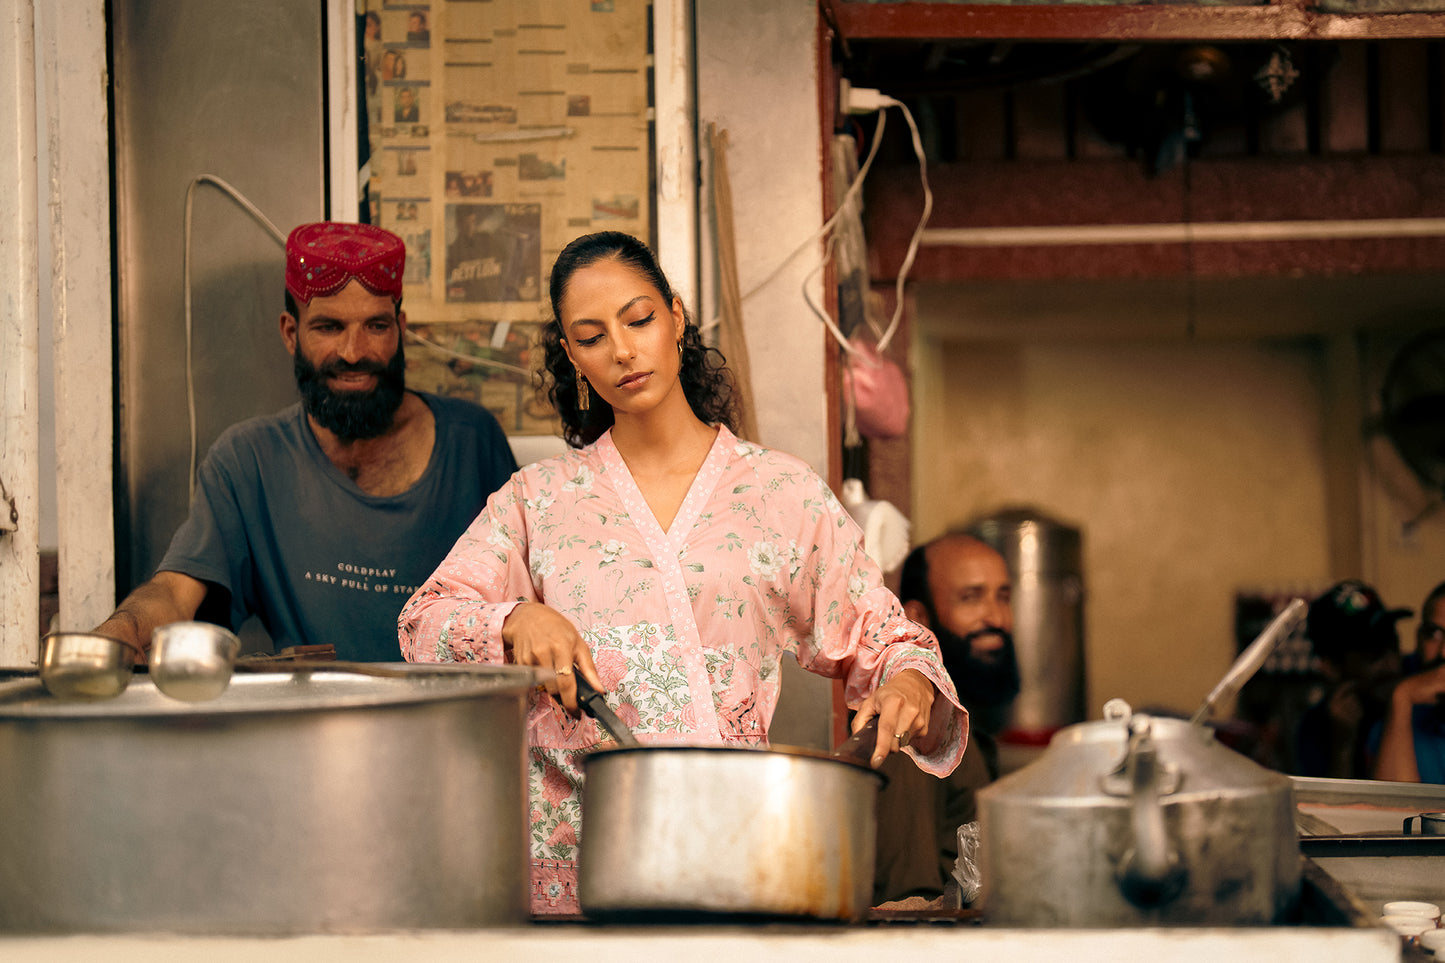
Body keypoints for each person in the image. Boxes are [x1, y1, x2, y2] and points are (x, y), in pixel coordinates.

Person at [398, 230, 968, 916]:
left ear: (675, 316)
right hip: (571, 879)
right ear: (573, 356)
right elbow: (424, 621)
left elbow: (884, 636)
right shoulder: (536, 500)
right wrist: (515, 618)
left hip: (733, 853)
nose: (621, 349)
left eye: (638, 319)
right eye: (591, 336)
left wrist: (907, 680)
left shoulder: (779, 493)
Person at [94, 222, 517, 662]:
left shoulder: (473, 444)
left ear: (400, 329)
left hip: (454, 723)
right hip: (314, 724)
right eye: (329, 327)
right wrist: (120, 630)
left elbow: (523, 604)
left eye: (375, 325)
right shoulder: (248, 463)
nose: (354, 352)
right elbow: (175, 593)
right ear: (291, 333)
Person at [872, 532, 1019, 905]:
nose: (996, 618)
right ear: (918, 618)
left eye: (1003, 596)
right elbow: (907, 907)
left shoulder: (957, 721)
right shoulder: (912, 732)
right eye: (971, 598)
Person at [1295, 580, 1409, 779]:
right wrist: (1343, 748)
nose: (1392, 664)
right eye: (1373, 654)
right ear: (1331, 666)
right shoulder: (1316, 729)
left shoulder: (1420, 685)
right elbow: (1331, 806)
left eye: (1393, 645)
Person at [1372, 580, 1445, 783]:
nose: (1443, 651)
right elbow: (1393, 811)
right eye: (1434, 634)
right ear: (1419, 639)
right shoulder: (1396, 723)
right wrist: (1402, 696)